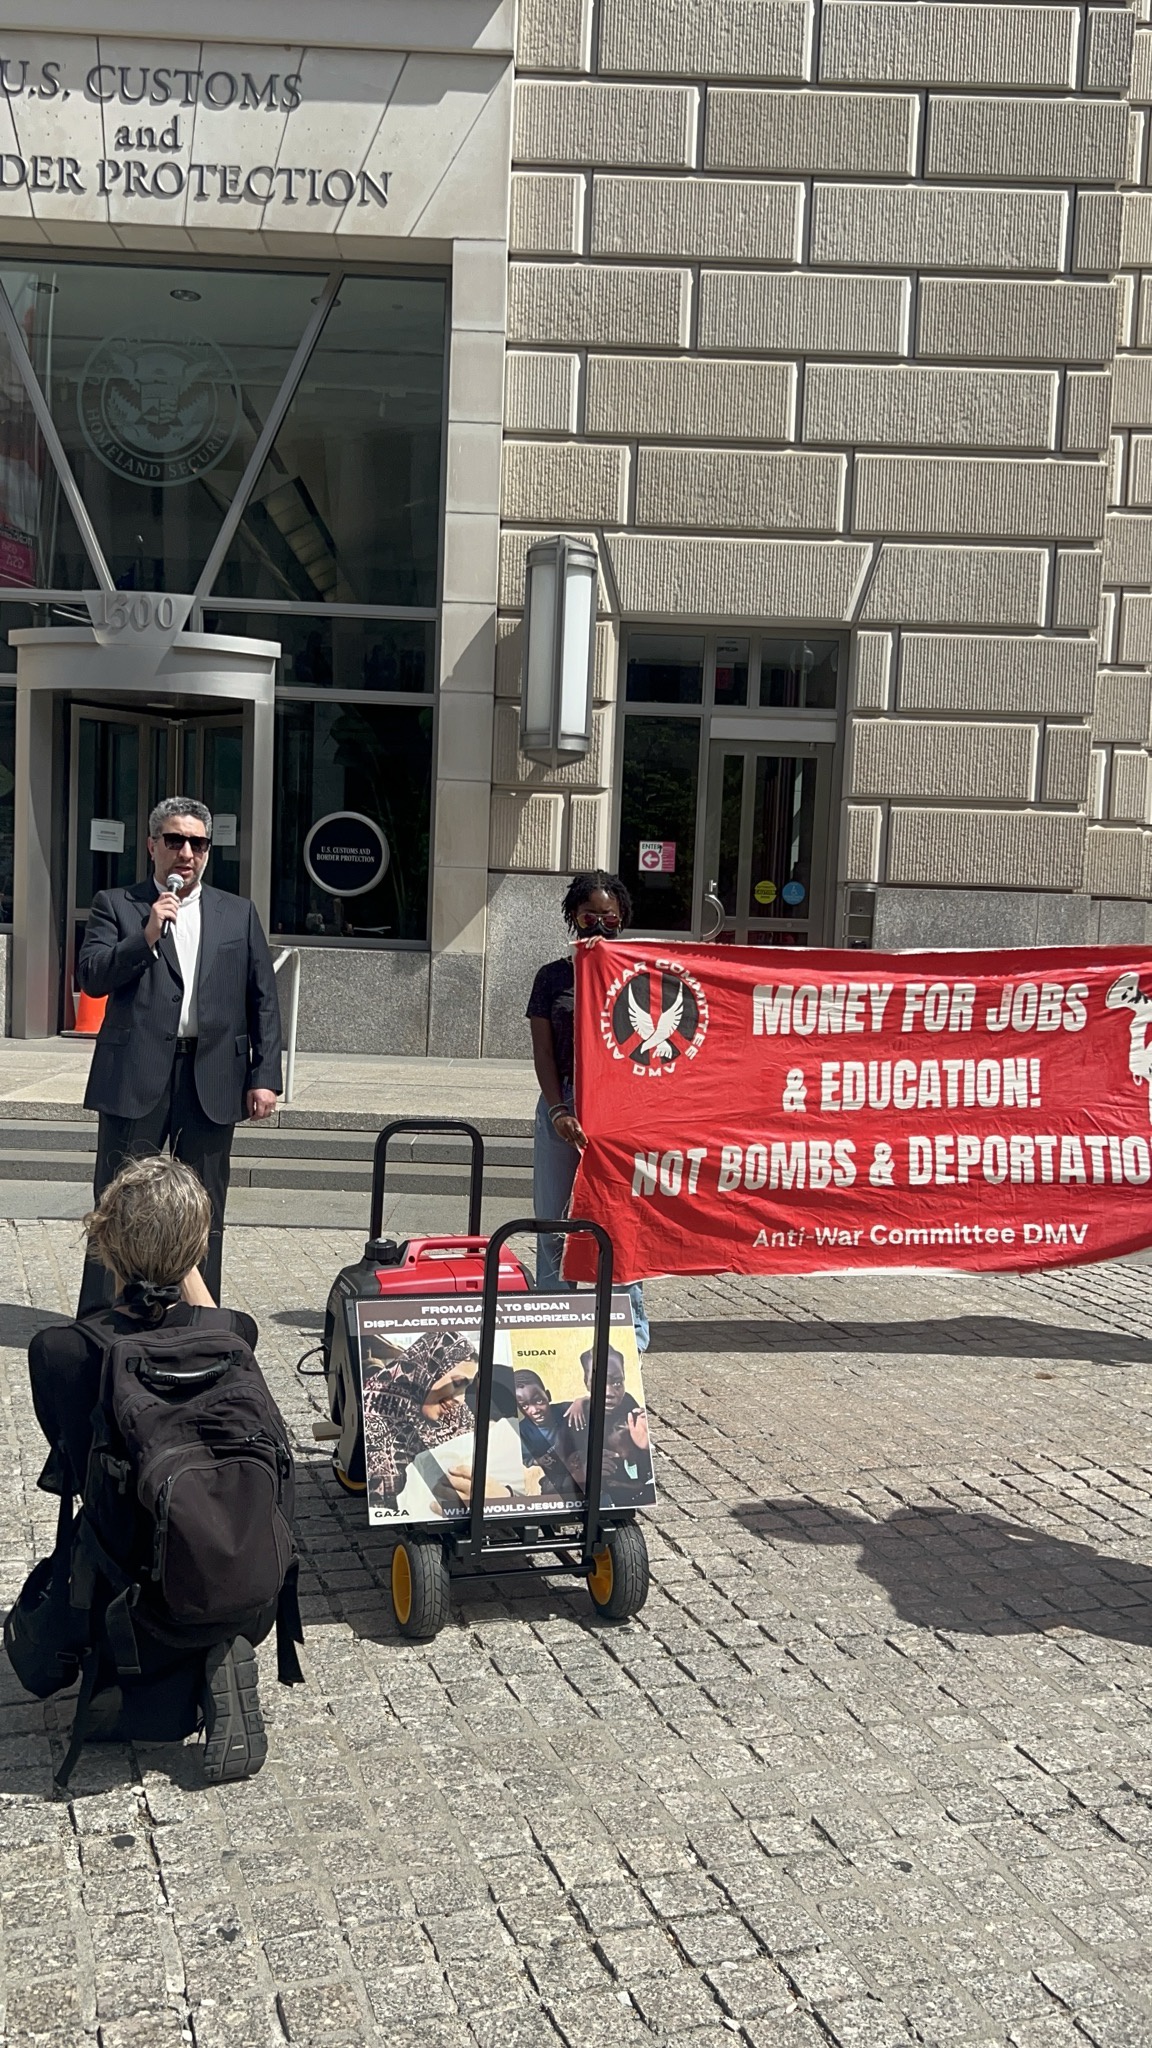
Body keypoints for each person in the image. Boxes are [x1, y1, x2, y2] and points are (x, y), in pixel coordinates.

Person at [27, 1155, 270, 1777]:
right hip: (232, 1548)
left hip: (127, 1569)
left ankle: (125, 1693)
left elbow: (73, 1468)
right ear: (198, 1250)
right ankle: (215, 1642)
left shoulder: (63, 1350)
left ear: (104, 1240)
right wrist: (180, 1255)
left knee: (82, 1551)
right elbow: (218, 1322)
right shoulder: (235, 1333)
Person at [76, 796, 282, 1313]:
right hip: (136, 1074)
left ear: (208, 851)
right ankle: (105, 1317)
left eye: (197, 843)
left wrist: (266, 1076)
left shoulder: (237, 913)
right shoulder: (116, 904)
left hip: (212, 1075)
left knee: (204, 1204)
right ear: (152, 846)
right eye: (174, 840)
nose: (185, 852)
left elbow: (263, 999)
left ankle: (196, 1317)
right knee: (120, 1200)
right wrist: (146, 934)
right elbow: (93, 977)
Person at [526, 871, 649, 1350]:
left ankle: (626, 1330)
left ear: (623, 920)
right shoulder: (552, 977)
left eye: (610, 917)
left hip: (618, 1111)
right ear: (573, 916)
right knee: (553, 1217)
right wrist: (559, 1108)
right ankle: (553, 1323)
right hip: (564, 1102)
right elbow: (541, 1052)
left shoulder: (637, 972)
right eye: (590, 915)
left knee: (618, 1220)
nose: (599, 924)